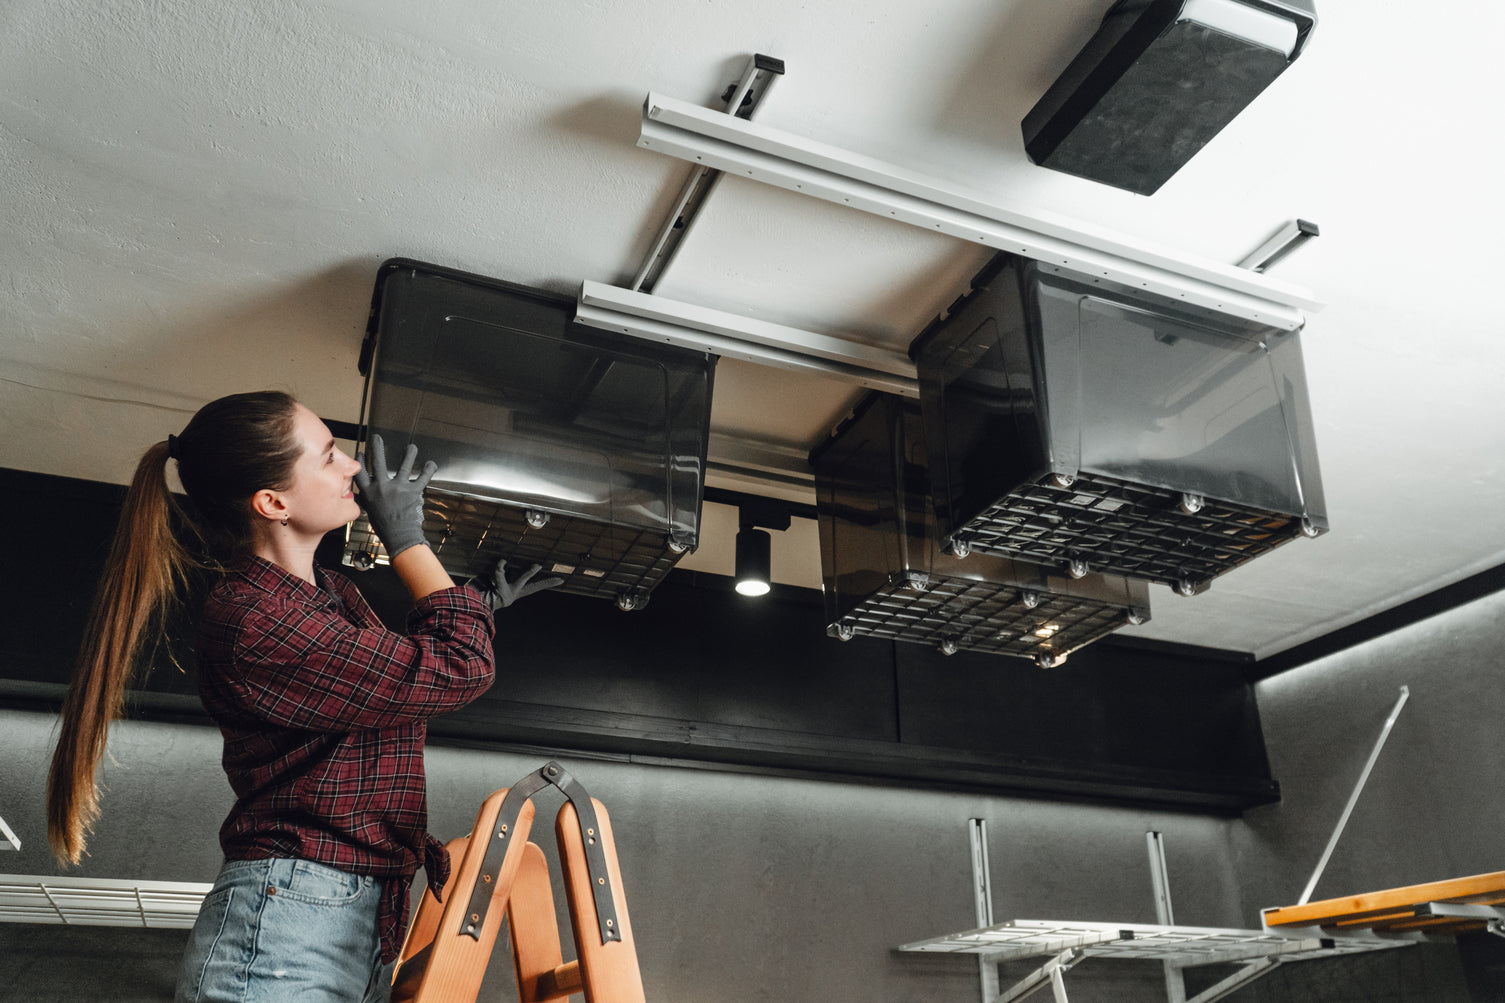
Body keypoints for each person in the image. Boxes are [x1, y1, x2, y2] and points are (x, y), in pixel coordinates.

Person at [45, 390, 559, 1003]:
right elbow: (457, 670)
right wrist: (408, 541)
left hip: (338, 912)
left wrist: (473, 605)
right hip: (290, 920)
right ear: (272, 502)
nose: (354, 469)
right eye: (329, 456)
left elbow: (404, 682)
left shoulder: (329, 596)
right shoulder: (254, 617)